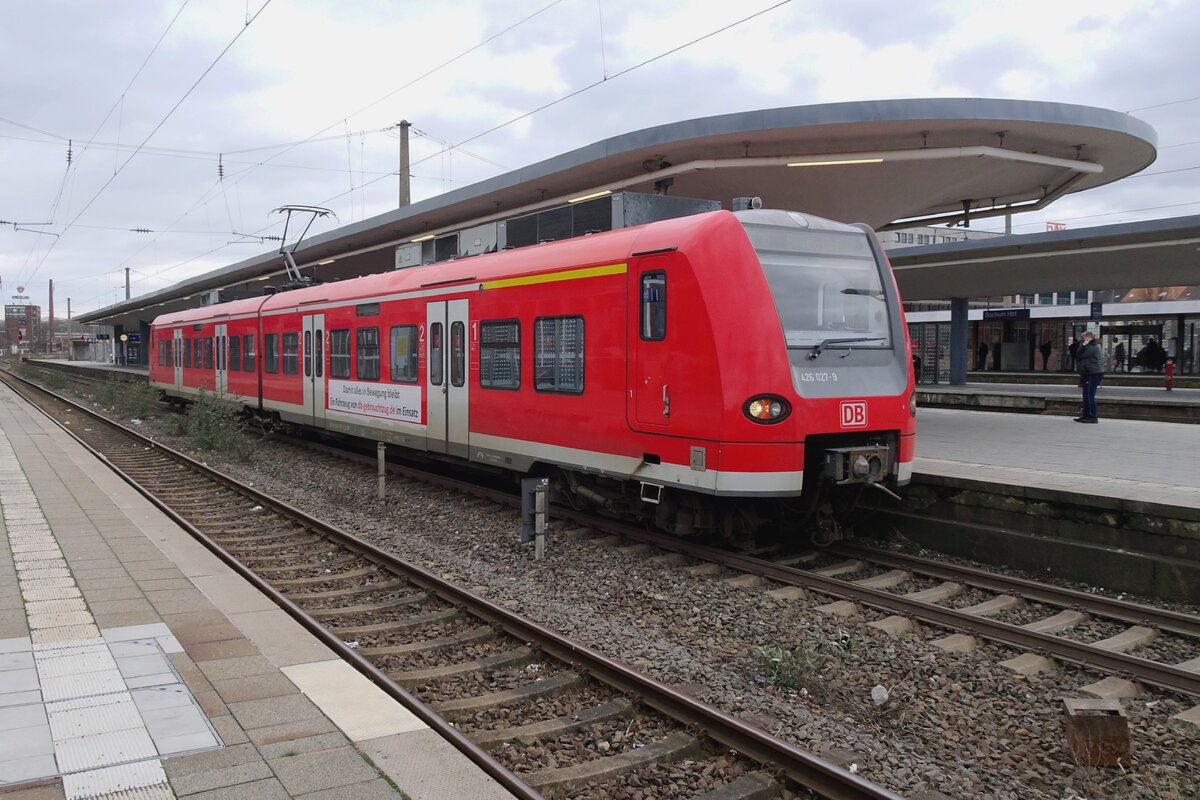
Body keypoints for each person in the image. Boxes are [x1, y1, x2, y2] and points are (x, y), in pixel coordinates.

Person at [1075, 330, 1105, 423]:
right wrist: (1083, 345)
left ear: (1088, 337)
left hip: (1094, 373)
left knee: (1089, 395)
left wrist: (1083, 345)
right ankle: (1085, 415)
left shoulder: (1093, 346)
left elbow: (1081, 355)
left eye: (1083, 338)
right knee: (1085, 395)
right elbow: (1078, 354)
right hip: (1088, 373)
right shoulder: (1088, 346)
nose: (1081, 340)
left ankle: (1092, 416)